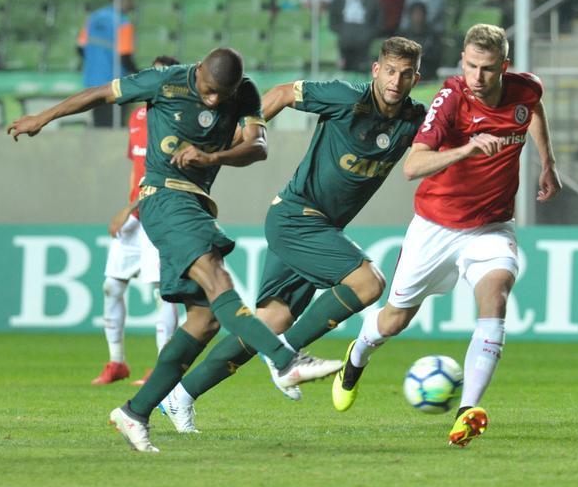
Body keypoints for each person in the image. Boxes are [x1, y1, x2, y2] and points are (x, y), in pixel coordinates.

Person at [6, 49, 343, 453]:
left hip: (196, 202)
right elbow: (98, 94)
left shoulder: (244, 93)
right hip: (164, 198)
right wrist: (43, 118)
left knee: (203, 321)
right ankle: (285, 361)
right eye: (210, 91)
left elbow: (258, 146)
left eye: (224, 94)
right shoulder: (163, 82)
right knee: (217, 276)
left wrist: (213, 156)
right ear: (198, 71)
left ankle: (135, 411)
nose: (215, 101)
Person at [159, 38, 427, 429]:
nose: (396, 81)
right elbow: (283, 93)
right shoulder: (345, 97)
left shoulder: (413, 119)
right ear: (375, 70)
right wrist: (235, 140)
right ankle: (287, 354)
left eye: (405, 74)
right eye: (390, 70)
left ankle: (180, 395)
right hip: (296, 218)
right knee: (369, 283)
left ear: (415, 78)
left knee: (270, 320)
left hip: (317, 226)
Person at [334, 23, 562, 448]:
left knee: (495, 296)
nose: (477, 76)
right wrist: (468, 148)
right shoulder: (450, 100)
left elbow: (533, 110)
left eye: (488, 69)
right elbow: (411, 167)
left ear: (504, 68)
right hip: (436, 225)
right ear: (462, 61)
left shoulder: (525, 89)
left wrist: (548, 162)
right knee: (395, 319)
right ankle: (358, 353)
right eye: (471, 66)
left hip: (491, 225)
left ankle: (467, 411)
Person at [93, 54, 184, 386]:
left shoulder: (178, 121)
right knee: (111, 286)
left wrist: (127, 208)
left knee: (164, 292)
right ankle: (117, 362)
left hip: (161, 214)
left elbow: (165, 176)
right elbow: (138, 170)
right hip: (135, 215)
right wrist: (129, 207)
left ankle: (163, 366)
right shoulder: (137, 117)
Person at [78, 0, 139, 127]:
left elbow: (80, 47)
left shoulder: (94, 18)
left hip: (92, 81)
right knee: (114, 127)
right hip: (114, 85)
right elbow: (125, 57)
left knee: (99, 124)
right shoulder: (123, 24)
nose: (132, 4)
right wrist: (140, 74)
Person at [330, 0, 381, 71]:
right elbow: (332, 15)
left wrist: (368, 34)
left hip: (364, 45)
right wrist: (342, 31)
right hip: (345, 43)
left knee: (362, 74)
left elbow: (379, 19)